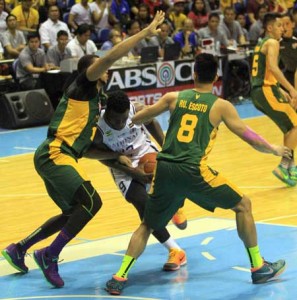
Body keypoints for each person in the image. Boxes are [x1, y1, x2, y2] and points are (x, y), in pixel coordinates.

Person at [1, 11, 165, 289]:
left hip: (57, 156)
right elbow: (111, 55)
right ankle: (49, 254)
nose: (105, 69)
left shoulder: (94, 104)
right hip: (55, 153)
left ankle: (20, 248)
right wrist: (144, 34)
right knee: (92, 202)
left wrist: (116, 157)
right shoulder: (83, 87)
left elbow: (89, 151)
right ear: (92, 71)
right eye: (100, 67)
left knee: (73, 212)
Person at [105, 53, 289, 295]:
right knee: (243, 205)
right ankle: (258, 266)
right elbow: (248, 136)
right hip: (193, 170)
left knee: (147, 225)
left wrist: (136, 111)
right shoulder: (221, 106)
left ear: (193, 75)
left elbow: (138, 118)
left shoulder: (173, 98)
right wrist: (274, 148)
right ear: (215, 78)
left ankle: (119, 277)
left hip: (165, 169)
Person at [94, 90, 187, 270]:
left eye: (124, 119)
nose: (121, 123)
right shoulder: (98, 127)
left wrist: (167, 149)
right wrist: (130, 171)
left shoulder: (137, 109)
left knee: (172, 180)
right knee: (142, 205)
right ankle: (176, 250)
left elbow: (151, 121)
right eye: (116, 120)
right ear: (107, 113)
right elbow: (98, 156)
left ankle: (175, 206)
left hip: (145, 152)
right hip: (120, 163)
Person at [251, 12, 297, 186]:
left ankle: (290, 167)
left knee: (289, 127)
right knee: (295, 125)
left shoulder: (261, 43)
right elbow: (273, 67)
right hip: (265, 90)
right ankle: (284, 165)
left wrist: (278, 88)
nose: (282, 29)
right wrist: (291, 89)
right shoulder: (272, 42)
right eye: (279, 26)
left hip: (262, 90)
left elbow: (264, 70)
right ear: (270, 28)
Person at [279, 13, 297, 89]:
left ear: (293, 24)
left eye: (287, 24)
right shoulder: (277, 43)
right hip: (284, 79)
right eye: (282, 25)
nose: (285, 27)